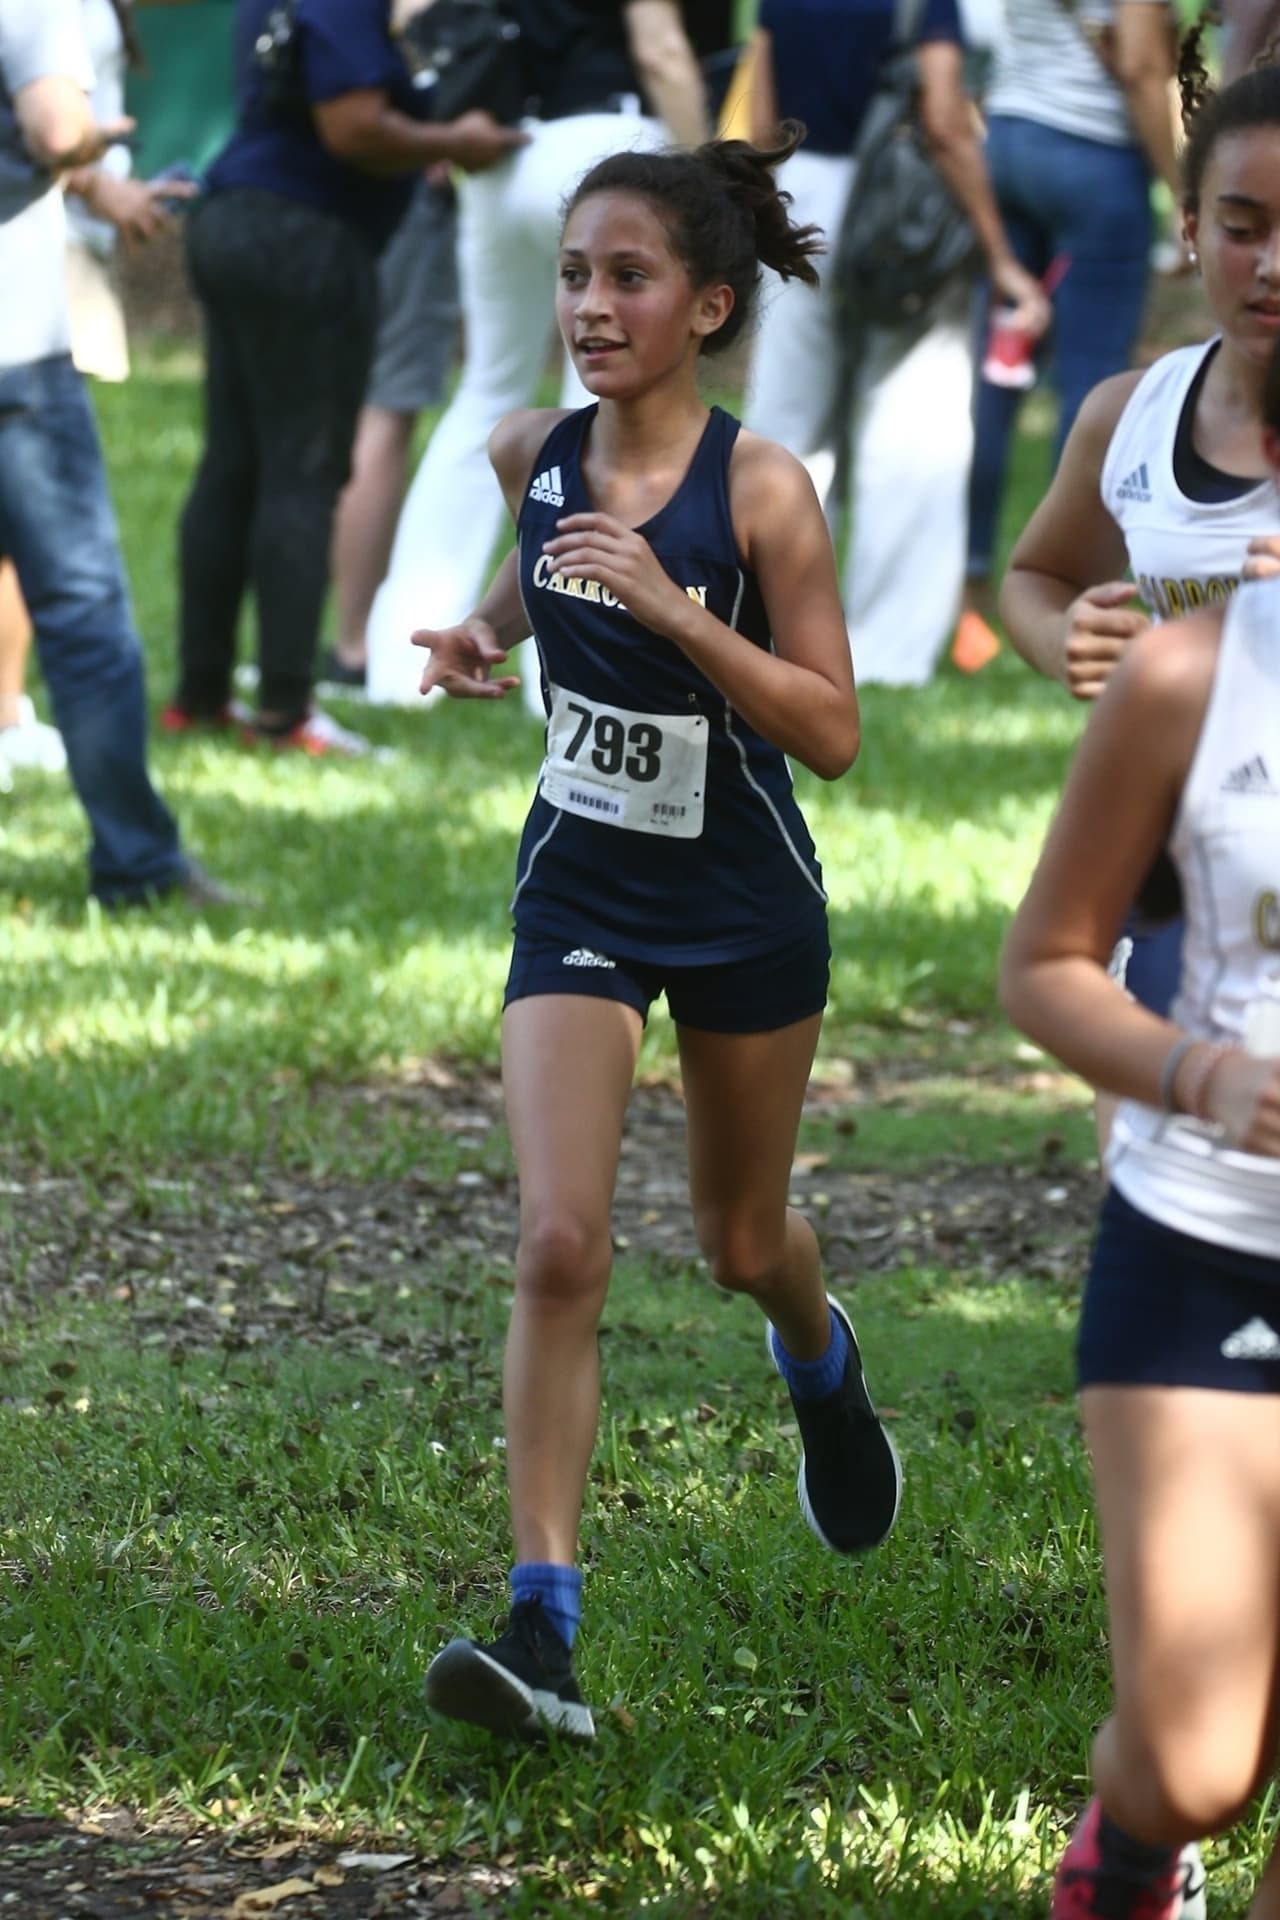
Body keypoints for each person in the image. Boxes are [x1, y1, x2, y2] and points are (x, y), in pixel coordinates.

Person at [416, 127, 901, 1742]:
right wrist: (487, 629)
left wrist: (676, 607)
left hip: (740, 901)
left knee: (740, 1245)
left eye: (627, 278)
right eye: (572, 275)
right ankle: (540, 1628)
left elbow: (829, 730)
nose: (590, 306)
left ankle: (820, 1362)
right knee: (561, 1241)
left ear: (705, 305)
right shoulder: (530, 448)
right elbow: (540, 564)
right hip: (581, 890)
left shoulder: (760, 487)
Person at [998, 328, 1280, 1920]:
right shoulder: (1197, 676)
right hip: (1209, 1231)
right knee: (1196, 1761)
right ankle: (1131, 1846)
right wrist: (1198, 1074)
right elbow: (1040, 965)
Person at [1000, 50, 1280, 1049]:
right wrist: (1059, 635)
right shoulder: (1129, 415)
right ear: (1190, 230)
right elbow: (1032, 576)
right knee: (1153, 1168)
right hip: (1158, 852)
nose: (1268, 265)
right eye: (1241, 230)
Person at [164, 0, 525, 755]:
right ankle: (286, 710)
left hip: (234, 215)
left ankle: (199, 697)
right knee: (302, 471)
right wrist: (453, 138)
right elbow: (352, 125)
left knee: (232, 464)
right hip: (304, 234)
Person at [363, 0, 710, 709]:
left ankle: (402, 664)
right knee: (609, 412)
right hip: (609, 145)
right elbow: (661, 50)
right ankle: (572, 672)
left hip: (503, 152)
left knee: (485, 394)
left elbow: (411, 17)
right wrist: (707, 177)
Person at [741, 0, 1048, 690]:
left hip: (798, 194)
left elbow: (760, 123)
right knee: (911, 429)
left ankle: (766, 626)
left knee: (785, 430)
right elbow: (943, 116)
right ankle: (885, 650)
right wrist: (998, 253)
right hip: (896, 206)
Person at [0, 0, 230, 904]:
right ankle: (138, 864)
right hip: (14, 350)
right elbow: (54, 126)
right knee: (84, 614)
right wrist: (95, 139)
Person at [957, 0, 1180, 668]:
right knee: (1094, 386)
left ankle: (971, 589)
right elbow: (1141, 66)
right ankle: (1072, 600)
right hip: (1093, 153)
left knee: (997, 378)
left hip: (1012, 140)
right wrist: (1187, 189)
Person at [325, 171, 460, 689]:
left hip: (308, 199)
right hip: (402, 189)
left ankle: (284, 646)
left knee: (326, 412)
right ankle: (353, 646)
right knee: (384, 414)